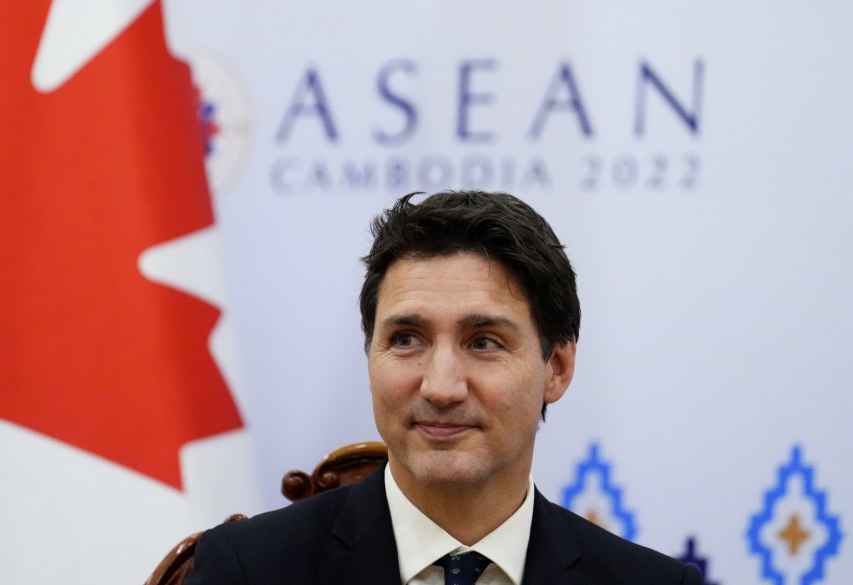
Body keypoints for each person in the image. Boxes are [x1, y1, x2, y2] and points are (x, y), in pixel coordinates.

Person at [185, 191, 703, 584]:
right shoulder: (246, 569)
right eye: (406, 339)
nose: (441, 387)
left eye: (484, 342)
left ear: (558, 368)